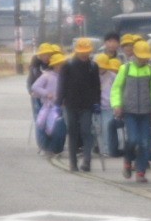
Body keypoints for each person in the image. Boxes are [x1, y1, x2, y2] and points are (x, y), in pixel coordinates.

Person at [111, 40, 151, 183]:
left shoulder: (150, 71)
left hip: (145, 112)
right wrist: (117, 105)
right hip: (129, 111)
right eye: (140, 57)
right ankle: (128, 160)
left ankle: (140, 172)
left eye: (145, 57)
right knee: (133, 140)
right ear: (134, 55)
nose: (143, 60)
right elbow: (117, 88)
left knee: (144, 142)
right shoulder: (125, 69)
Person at [56, 38, 101, 172]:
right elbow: (62, 85)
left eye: (87, 52)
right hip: (71, 104)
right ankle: (73, 162)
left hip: (87, 105)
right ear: (77, 51)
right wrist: (58, 102)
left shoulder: (93, 66)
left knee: (86, 131)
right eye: (82, 52)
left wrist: (97, 102)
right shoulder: (67, 65)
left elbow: (96, 86)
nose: (84, 54)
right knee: (73, 132)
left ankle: (87, 161)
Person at [31, 53, 66, 154]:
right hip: (49, 106)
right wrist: (46, 93)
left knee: (60, 130)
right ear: (54, 65)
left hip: (62, 107)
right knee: (44, 126)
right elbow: (35, 87)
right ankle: (45, 147)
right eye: (58, 64)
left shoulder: (66, 76)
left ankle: (57, 149)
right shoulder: (47, 75)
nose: (60, 66)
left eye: (62, 64)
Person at [94, 53, 116, 156]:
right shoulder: (92, 75)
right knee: (98, 129)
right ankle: (101, 148)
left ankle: (108, 149)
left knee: (107, 128)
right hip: (96, 107)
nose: (101, 69)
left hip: (109, 107)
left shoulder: (112, 76)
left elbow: (117, 90)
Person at [27, 42, 54, 117]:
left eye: (48, 54)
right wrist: (30, 91)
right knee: (38, 115)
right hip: (37, 94)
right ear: (40, 55)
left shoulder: (54, 64)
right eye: (44, 55)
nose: (46, 57)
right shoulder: (35, 65)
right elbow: (30, 79)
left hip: (50, 95)